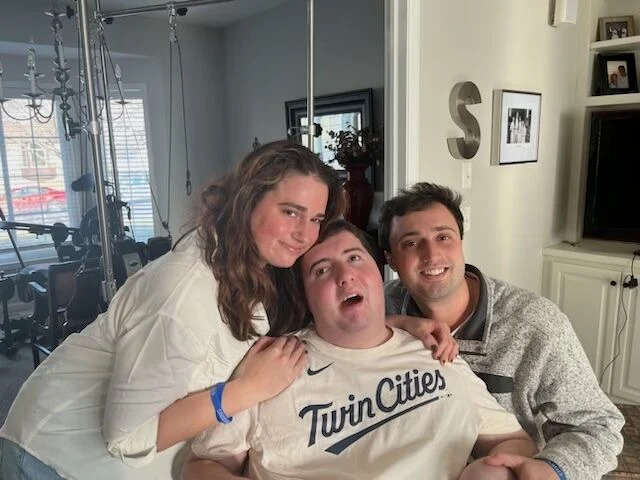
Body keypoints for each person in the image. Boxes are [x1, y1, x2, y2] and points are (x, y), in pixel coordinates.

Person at [0, 140, 348, 480]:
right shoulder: (184, 295)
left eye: (316, 219)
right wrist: (248, 389)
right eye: (291, 212)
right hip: (53, 455)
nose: (305, 235)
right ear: (248, 201)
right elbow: (127, 439)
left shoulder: (244, 264)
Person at [182, 220, 538, 480]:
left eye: (354, 258)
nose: (344, 276)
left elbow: (515, 441)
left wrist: (495, 472)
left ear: (380, 275)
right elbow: (200, 466)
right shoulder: (273, 362)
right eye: (322, 270)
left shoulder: (434, 349)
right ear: (305, 297)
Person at [379, 182, 625, 480]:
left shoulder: (535, 326)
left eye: (443, 237)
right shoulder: (379, 308)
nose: (432, 255)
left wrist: (552, 469)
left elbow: (598, 426)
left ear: (460, 242)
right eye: (411, 243)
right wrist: (393, 323)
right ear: (390, 259)